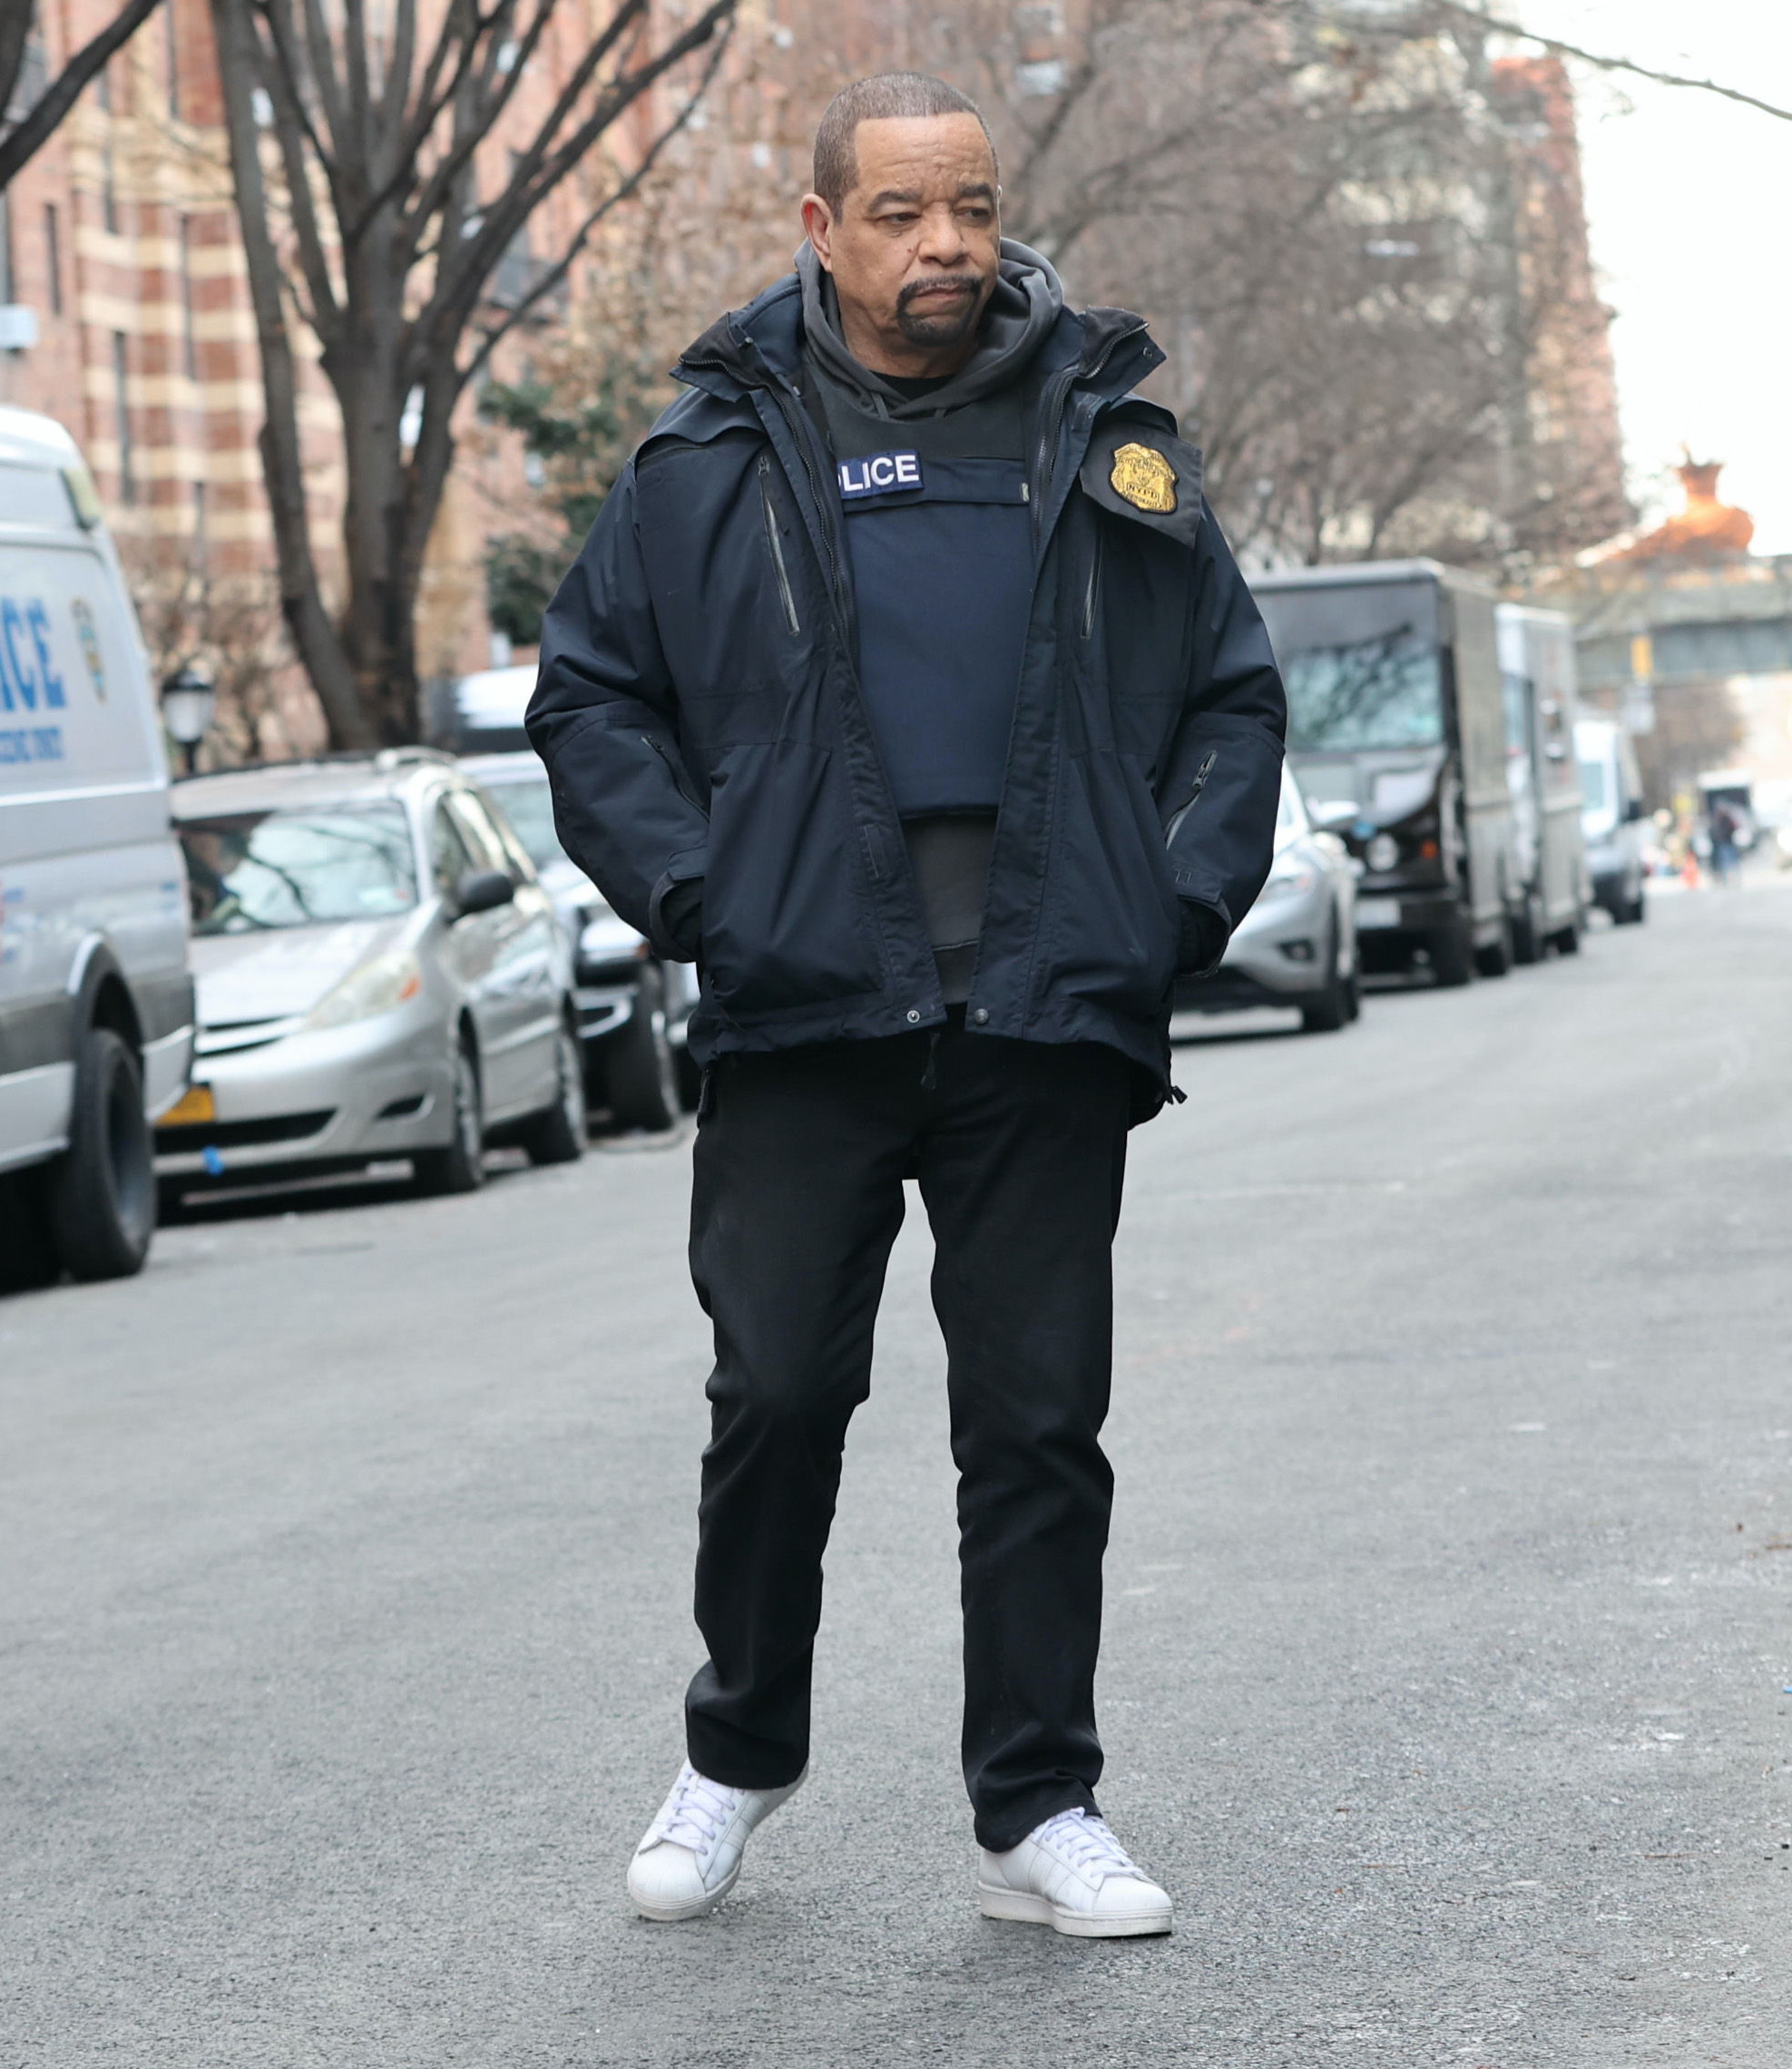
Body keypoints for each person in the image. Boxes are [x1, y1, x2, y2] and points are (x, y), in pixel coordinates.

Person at [530, 74, 1285, 1936]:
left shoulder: (1106, 439)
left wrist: (1165, 908)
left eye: (968, 206)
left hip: (1041, 1008)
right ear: (817, 229)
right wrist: (706, 899)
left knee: (1032, 1425)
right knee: (775, 1392)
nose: (943, 244)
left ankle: (1038, 1805)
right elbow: (589, 700)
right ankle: (734, 1754)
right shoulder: (702, 463)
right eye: (896, 212)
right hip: (806, 1010)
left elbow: (1229, 696)